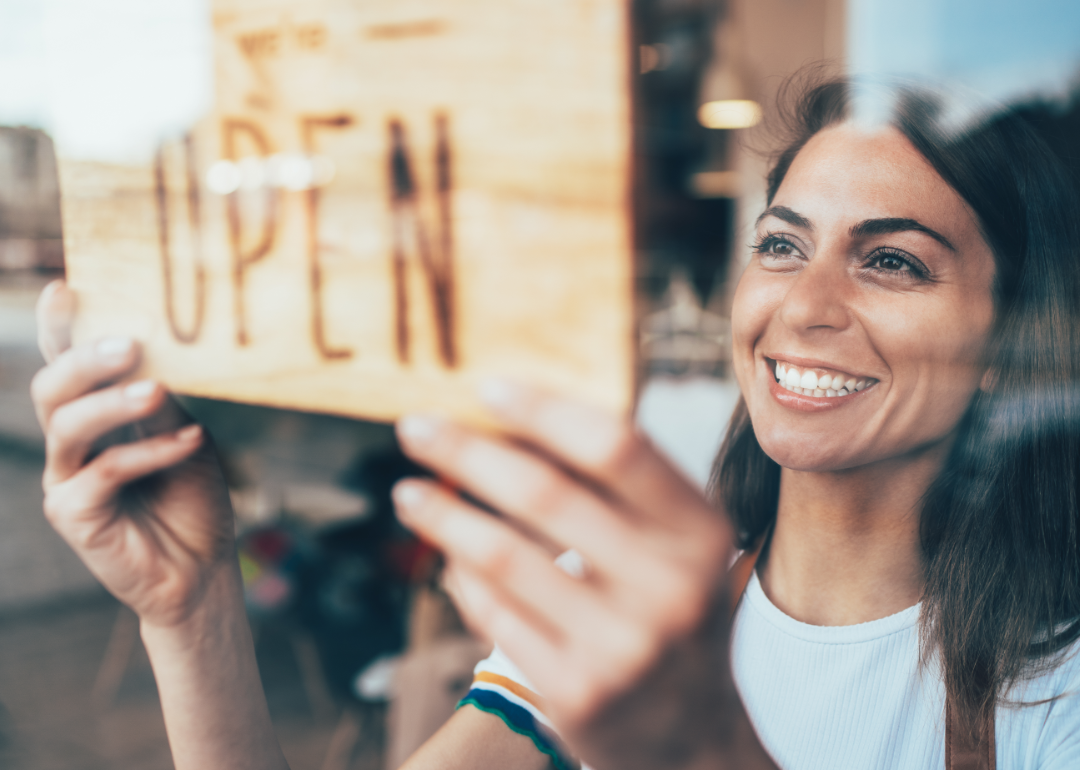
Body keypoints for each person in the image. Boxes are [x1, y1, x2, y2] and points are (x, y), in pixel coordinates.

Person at [30, 76, 1080, 770]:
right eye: (780, 245)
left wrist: (698, 746)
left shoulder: (1053, 693)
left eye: (891, 259)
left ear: (1010, 339)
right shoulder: (606, 611)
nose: (803, 307)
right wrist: (194, 605)